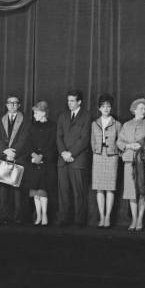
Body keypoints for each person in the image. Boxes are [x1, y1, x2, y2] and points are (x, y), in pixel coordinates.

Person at [117, 98, 145, 231]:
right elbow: (119, 142)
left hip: (144, 162)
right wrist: (129, 145)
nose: (143, 111)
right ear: (134, 110)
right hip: (130, 162)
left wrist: (141, 145)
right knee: (131, 193)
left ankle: (140, 219)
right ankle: (134, 219)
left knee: (142, 192)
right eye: (141, 108)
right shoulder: (127, 125)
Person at [0, 95, 30, 224]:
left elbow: (24, 138)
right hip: (4, 156)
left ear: (19, 105)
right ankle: (4, 216)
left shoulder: (25, 120)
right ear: (6, 105)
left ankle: (18, 217)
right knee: (3, 188)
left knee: (17, 189)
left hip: (18, 157)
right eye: (10, 103)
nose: (12, 105)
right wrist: (5, 150)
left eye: (15, 103)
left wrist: (14, 152)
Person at [56, 89, 91, 227]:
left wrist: (71, 153)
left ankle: (79, 221)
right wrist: (63, 153)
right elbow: (58, 137)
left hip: (78, 160)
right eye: (68, 100)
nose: (69, 103)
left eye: (72, 101)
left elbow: (84, 138)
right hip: (63, 160)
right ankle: (64, 219)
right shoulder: (62, 116)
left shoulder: (86, 116)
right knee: (63, 191)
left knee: (78, 192)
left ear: (79, 102)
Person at [91, 94, 121, 228]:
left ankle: (108, 217)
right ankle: (101, 216)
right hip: (98, 156)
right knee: (99, 189)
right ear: (99, 108)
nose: (106, 108)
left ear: (111, 108)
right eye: (103, 106)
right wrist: (97, 150)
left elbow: (120, 141)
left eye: (108, 106)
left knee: (109, 189)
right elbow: (92, 140)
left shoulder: (117, 124)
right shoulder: (94, 123)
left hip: (111, 156)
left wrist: (115, 151)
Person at [25, 101, 57, 226]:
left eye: (36, 113)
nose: (34, 115)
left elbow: (53, 145)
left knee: (43, 190)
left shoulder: (52, 126)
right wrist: (33, 155)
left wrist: (42, 156)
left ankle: (44, 215)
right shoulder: (32, 126)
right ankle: (38, 216)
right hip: (34, 162)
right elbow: (28, 143)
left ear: (43, 113)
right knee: (35, 192)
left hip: (46, 163)